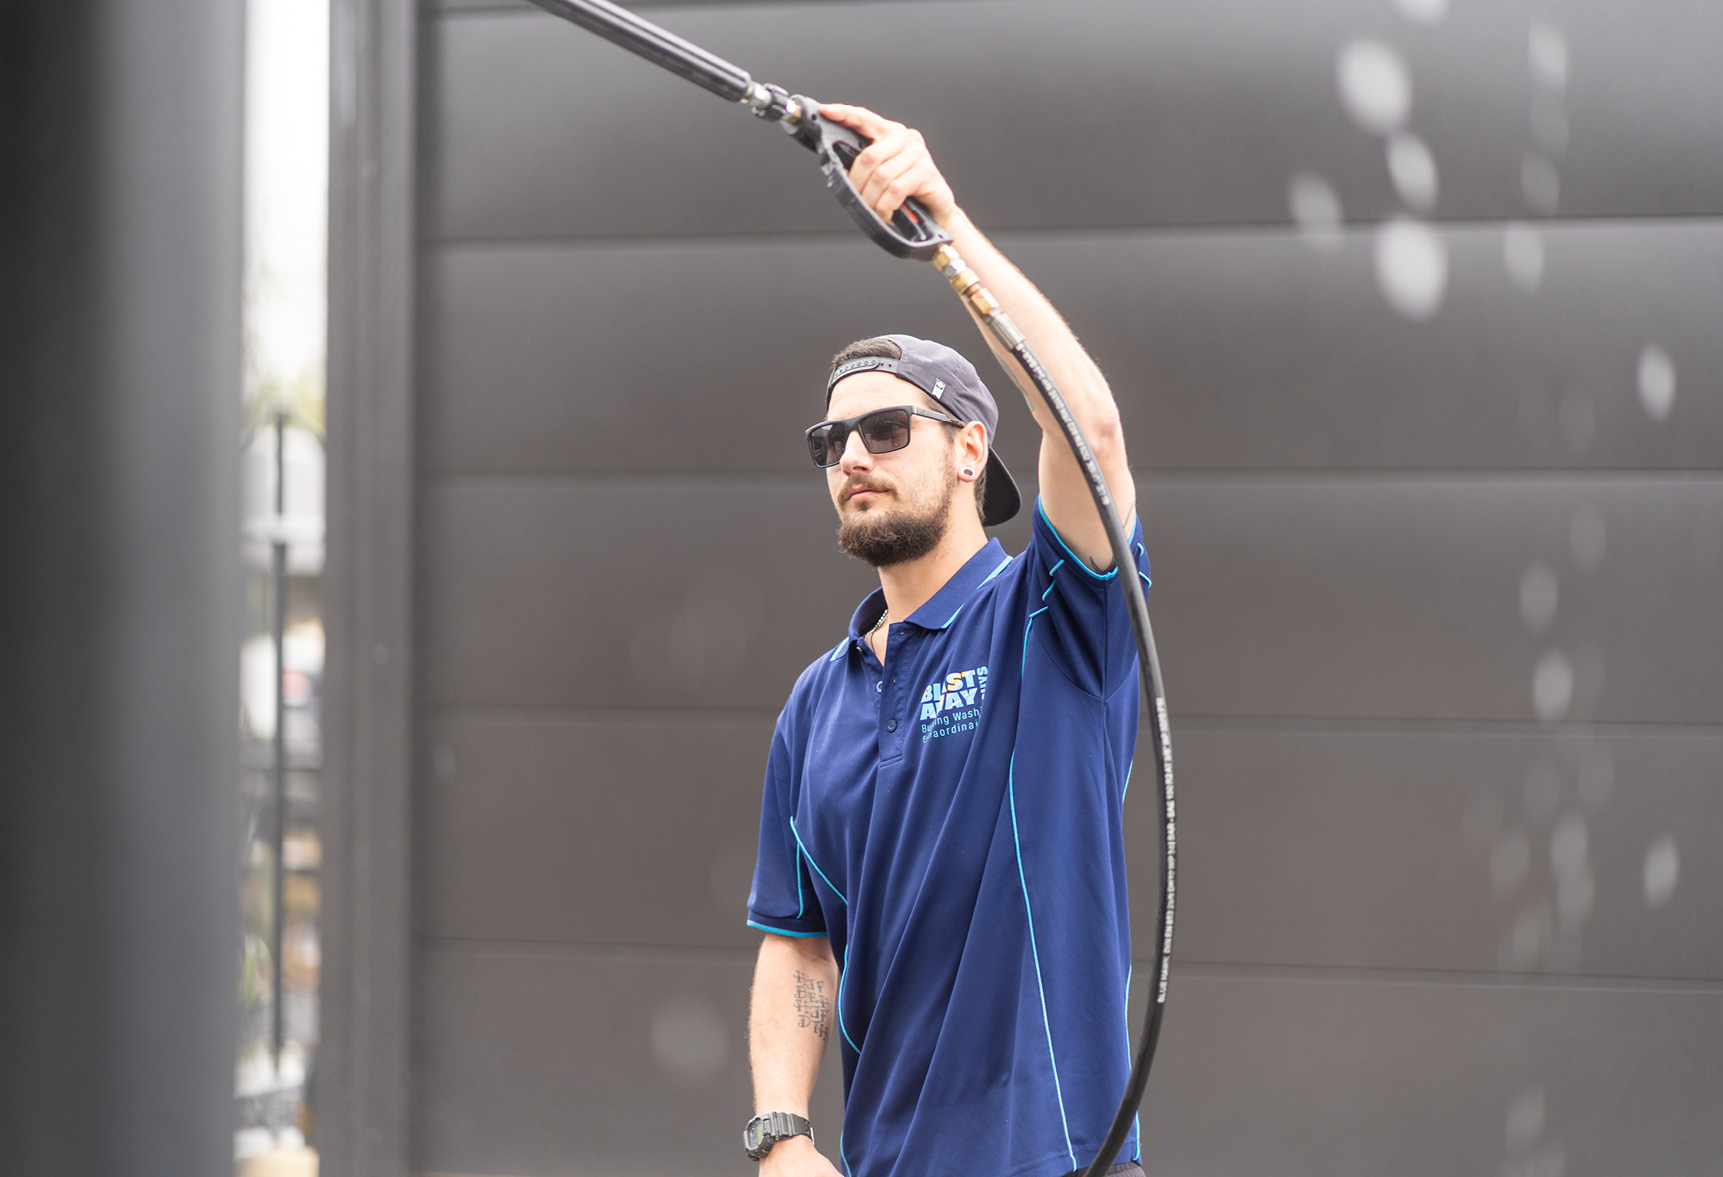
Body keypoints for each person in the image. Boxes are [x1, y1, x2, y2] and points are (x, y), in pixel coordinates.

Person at [743, 102, 1150, 1177]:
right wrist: (780, 1133)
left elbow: (1088, 428)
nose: (852, 457)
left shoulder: (1051, 620)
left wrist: (945, 230)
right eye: (832, 439)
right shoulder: (815, 703)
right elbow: (797, 941)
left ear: (971, 448)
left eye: (887, 429)